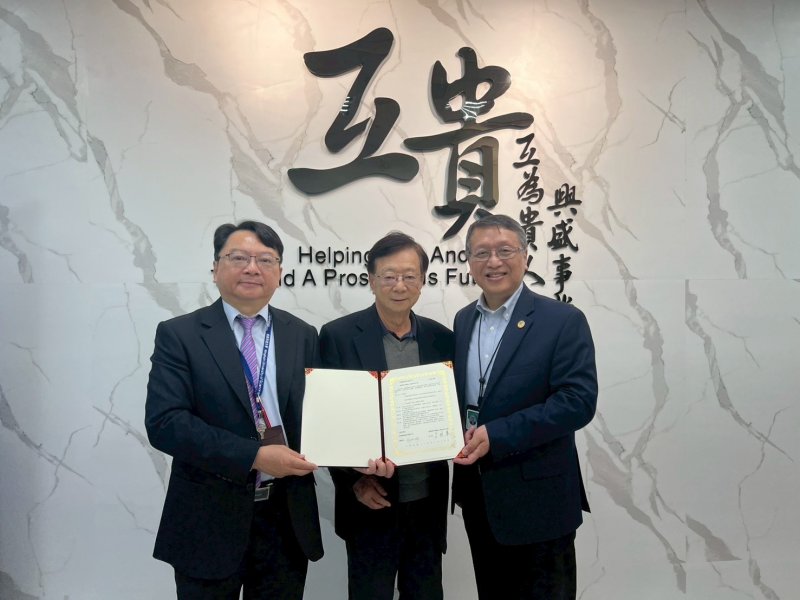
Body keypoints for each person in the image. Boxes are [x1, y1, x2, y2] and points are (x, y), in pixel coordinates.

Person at [145, 220, 323, 599]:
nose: (252, 268)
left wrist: (358, 461)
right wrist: (254, 455)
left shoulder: (302, 334)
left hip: (286, 518)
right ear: (215, 268)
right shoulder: (181, 334)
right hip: (209, 518)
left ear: (279, 273)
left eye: (265, 260)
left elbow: (321, 415)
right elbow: (166, 423)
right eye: (238, 257)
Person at [452, 214, 598, 600]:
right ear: (469, 262)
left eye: (505, 250)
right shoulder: (464, 320)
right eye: (481, 253)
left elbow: (577, 401)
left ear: (526, 257)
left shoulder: (562, 320)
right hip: (480, 496)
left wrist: (497, 434)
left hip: (541, 501)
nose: (493, 261)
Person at [319, 232, 454, 600]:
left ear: (422, 281)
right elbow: (328, 422)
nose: (399, 285)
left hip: (426, 502)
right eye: (389, 275)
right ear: (371, 280)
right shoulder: (338, 336)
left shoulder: (441, 339)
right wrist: (353, 483)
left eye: (409, 276)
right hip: (370, 501)